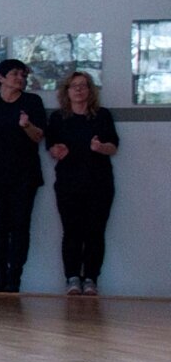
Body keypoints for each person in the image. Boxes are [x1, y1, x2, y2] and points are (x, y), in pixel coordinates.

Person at [0, 59, 47, 293]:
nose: (20, 78)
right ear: (1, 78)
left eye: (23, 75)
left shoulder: (32, 102)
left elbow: (39, 136)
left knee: (20, 227)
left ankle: (15, 277)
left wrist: (26, 125)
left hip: (26, 175)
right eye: (15, 74)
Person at [46, 72, 119, 296]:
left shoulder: (102, 116)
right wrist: (57, 151)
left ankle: (91, 279)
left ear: (90, 90)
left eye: (83, 85)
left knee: (95, 232)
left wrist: (100, 148)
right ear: (66, 91)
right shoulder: (58, 118)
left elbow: (113, 146)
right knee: (72, 232)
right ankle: (72, 277)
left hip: (99, 183)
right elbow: (51, 147)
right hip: (68, 183)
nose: (78, 90)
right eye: (74, 86)